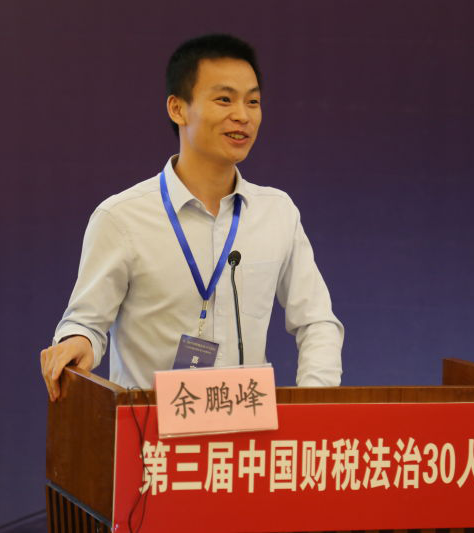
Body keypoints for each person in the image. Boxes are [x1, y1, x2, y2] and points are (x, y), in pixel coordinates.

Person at [40, 34, 343, 400]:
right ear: (177, 108)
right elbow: (86, 322)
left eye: (253, 101)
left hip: (251, 429)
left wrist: (314, 406)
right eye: (224, 99)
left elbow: (317, 322)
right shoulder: (122, 218)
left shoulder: (277, 212)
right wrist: (78, 340)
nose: (243, 115)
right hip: (153, 430)